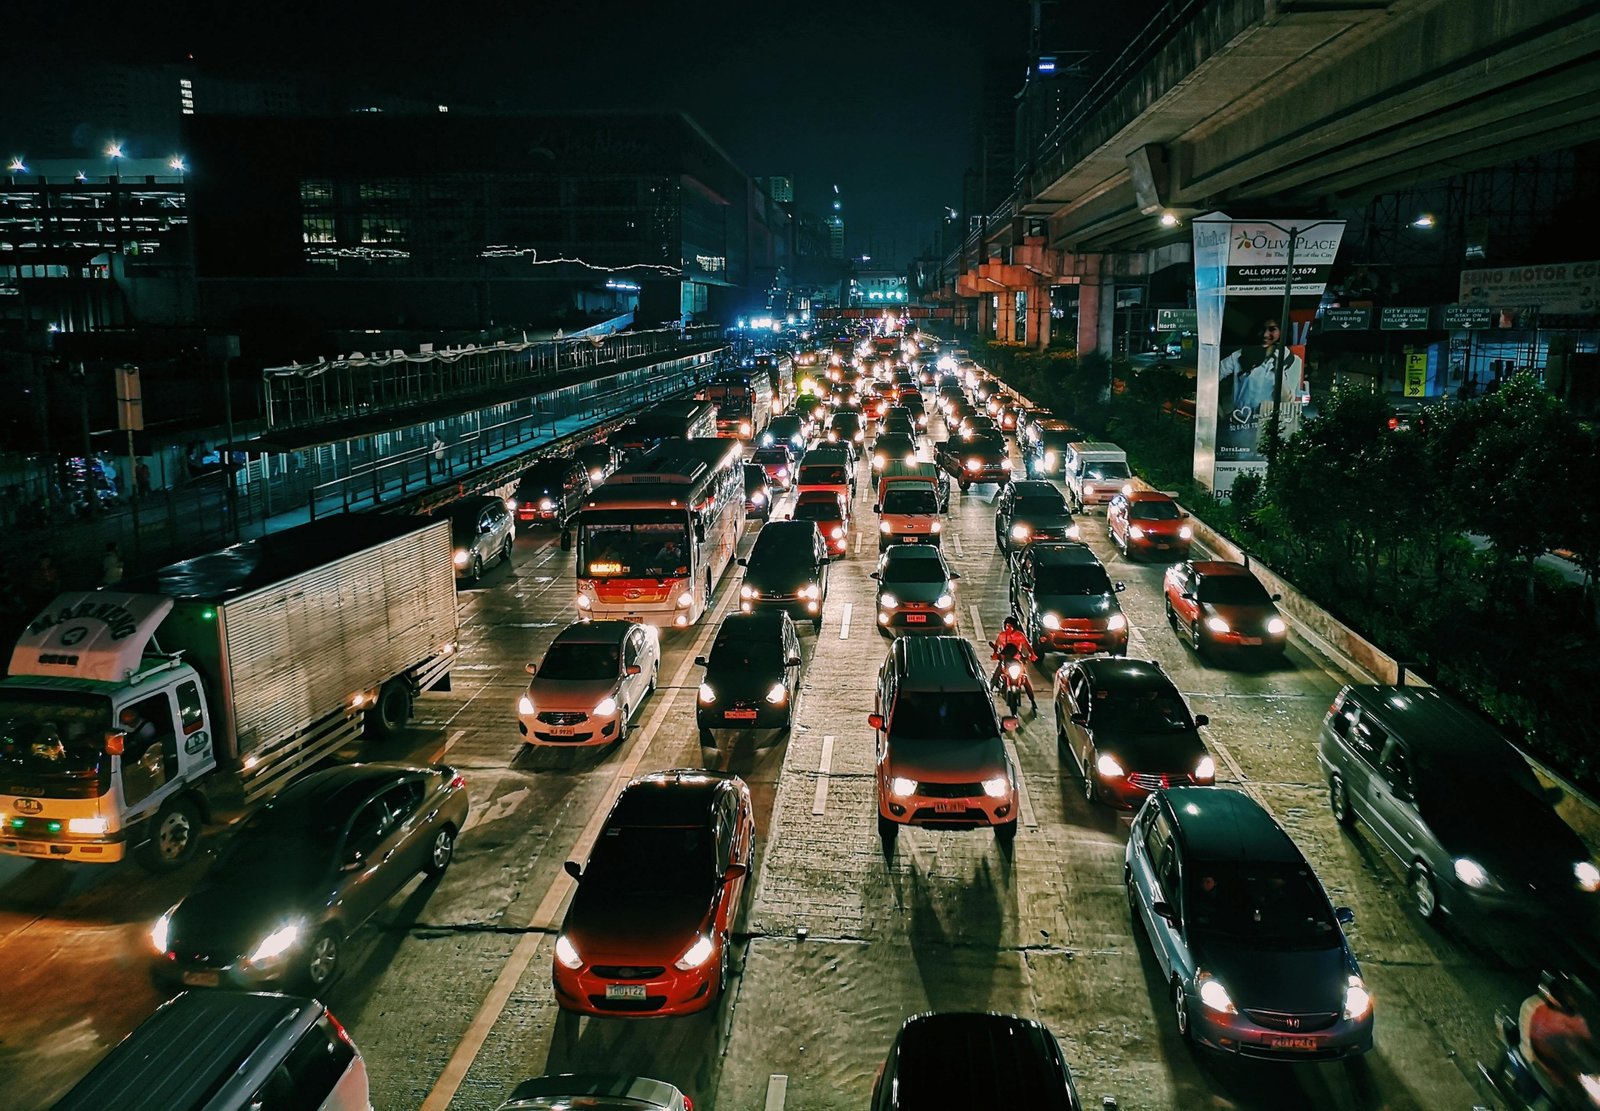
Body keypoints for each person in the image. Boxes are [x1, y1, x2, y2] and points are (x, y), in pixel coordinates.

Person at [1215, 316, 1303, 458]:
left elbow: (1286, 400)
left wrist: (1277, 365)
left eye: (1272, 329)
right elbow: (1211, 376)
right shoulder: (1241, 355)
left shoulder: (1292, 361)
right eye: (1262, 329)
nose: (1265, 334)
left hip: (1268, 428)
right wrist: (1219, 413)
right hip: (1240, 425)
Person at [990, 615, 1038, 710]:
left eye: (1009, 626)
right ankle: (989, 693)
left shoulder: (1020, 635)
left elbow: (1028, 646)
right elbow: (996, 646)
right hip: (1005, 660)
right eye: (1006, 626)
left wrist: (1032, 655)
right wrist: (995, 654)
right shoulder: (1002, 635)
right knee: (996, 674)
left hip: (1018, 660)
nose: (1008, 628)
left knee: (1025, 680)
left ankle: (1033, 701)